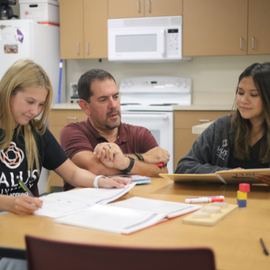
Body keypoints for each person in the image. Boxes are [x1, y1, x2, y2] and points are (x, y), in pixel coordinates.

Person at [0, 59, 131, 216]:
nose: (35, 111)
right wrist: (9, 203)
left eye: (41, 104)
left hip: (23, 220)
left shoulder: (36, 131)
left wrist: (100, 181)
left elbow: (72, 173)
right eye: (30, 102)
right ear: (8, 93)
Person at [60, 69, 170, 190]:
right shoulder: (72, 132)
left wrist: (125, 162)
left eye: (116, 97)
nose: (113, 105)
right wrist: (143, 158)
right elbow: (94, 168)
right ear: (85, 107)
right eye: (103, 99)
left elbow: (161, 168)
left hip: (132, 203)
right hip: (87, 206)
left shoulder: (141, 134)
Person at [175, 62, 270, 186]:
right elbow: (184, 167)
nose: (243, 100)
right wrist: (224, 173)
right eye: (240, 93)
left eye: (253, 95)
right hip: (224, 201)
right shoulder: (222, 127)